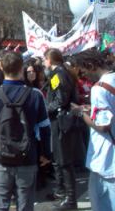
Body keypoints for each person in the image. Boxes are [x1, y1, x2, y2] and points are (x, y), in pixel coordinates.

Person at [0, 49, 51, 211]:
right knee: (25, 203)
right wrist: (46, 153)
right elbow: (45, 128)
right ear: (22, 68)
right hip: (28, 155)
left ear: (1, 68)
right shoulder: (35, 95)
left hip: (0, 154)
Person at [73, 50, 115, 211]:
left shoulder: (99, 88)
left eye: (83, 71)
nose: (84, 76)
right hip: (107, 158)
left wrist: (82, 113)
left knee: (103, 204)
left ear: (90, 66)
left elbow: (103, 125)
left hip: (107, 157)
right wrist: (93, 109)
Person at [44, 48, 78, 210]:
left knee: (64, 161)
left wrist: (46, 109)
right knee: (60, 160)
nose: (44, 63)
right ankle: (64, 193)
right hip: (60, 121)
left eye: (45, 60)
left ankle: (71, 200)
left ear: (49, 60)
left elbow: (61, 100)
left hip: (61, 121)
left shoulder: (58, 74)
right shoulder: (61, 73)